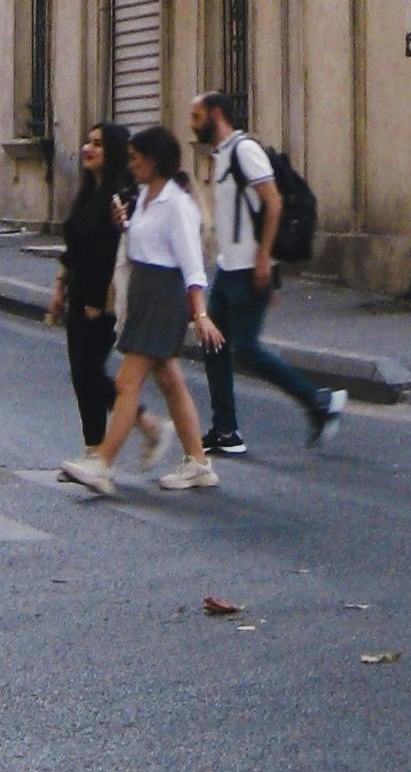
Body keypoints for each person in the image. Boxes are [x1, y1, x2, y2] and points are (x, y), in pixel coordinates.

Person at [58, 126, 219, 498]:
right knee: (169, 381)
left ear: (154, 160)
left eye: (135, 158)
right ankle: (198, 462)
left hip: (164, 296)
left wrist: (200, 314)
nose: (130, 165)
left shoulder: (177, 204)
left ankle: (103, 463)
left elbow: (191, 265)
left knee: (127, 383)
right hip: (145, 292)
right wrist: (125, 225)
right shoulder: (146, 196)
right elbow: (143, 246)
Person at [189, 89, 343, 455]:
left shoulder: (245, 150)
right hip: (229, 268)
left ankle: (320, 401)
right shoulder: (222, 155)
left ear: (215, 114)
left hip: (248, 268)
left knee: (246, 348)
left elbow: (273, 202)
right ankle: (226, 431)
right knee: (214, 346)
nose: (191, 125)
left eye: (196, 117)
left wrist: (264, 258)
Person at [43, 120, 130, 448]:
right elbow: (74, 249)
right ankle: (94, 448)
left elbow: (110, 254)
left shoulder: (118, 196)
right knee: (82, 376)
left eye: (98, 144)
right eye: (88, 142)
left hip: (103, 299)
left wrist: (96, 300)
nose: (87, 149)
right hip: (79, 294)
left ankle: (139, 420)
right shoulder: (87, 194)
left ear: (115, 152)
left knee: (88, 372)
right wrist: (58, 290)